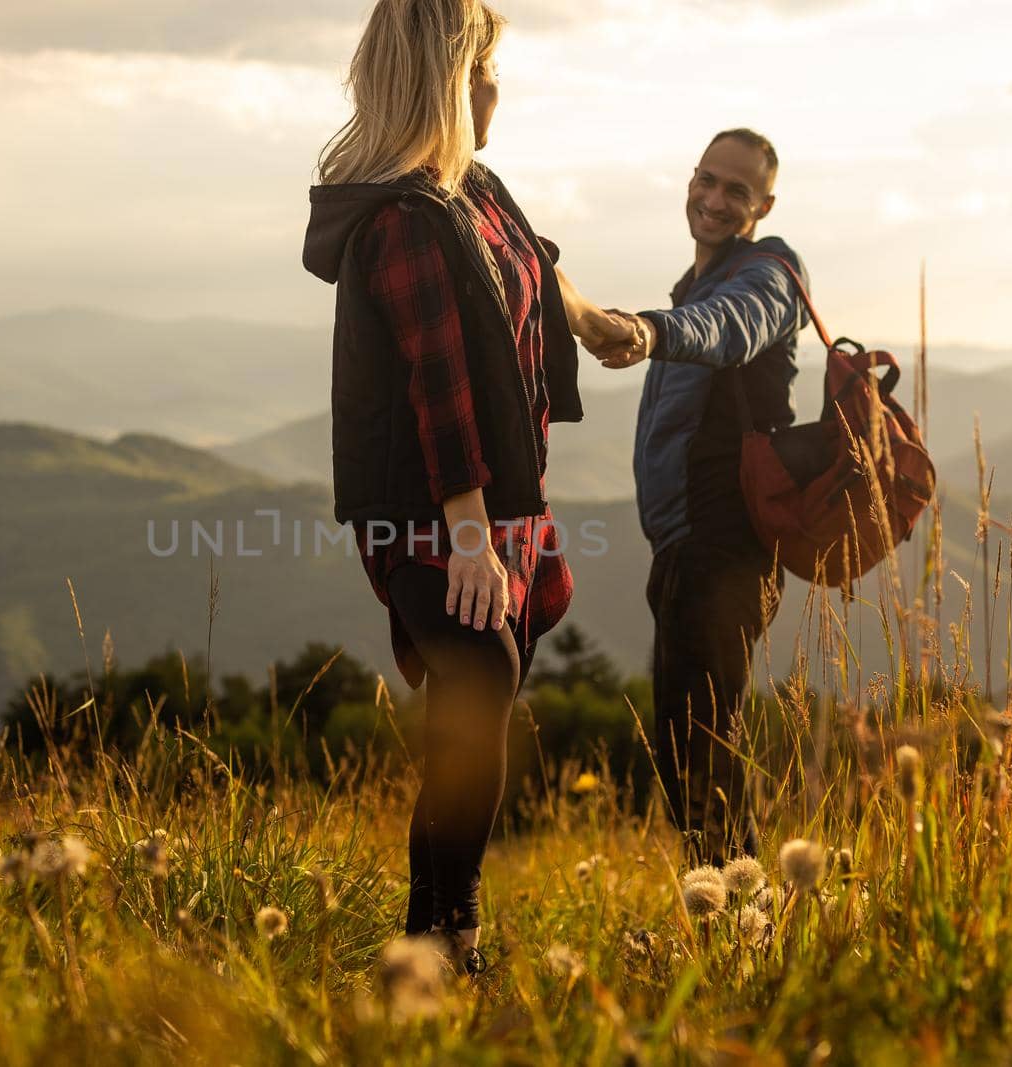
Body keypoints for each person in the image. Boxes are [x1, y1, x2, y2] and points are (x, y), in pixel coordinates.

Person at [301, 0, 641, 973]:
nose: (497, 89)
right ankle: (451, 936)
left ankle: (431, 937)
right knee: (481, 679)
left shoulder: (472, 190)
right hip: (435, 509)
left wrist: (592, 321)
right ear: (450, 78)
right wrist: (469, 536)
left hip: (496, 502)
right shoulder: (405, 220)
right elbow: (438, 378)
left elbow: (536, 261)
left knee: (474, 703)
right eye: (486, 69)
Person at [591, 129, 810, 863]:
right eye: (706, 180)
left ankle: (739, 929)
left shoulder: (768, 275)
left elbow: (730, 329)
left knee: (699, 750)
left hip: (725, 547)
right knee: (693, 745)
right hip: (688, 546)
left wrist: (652, 332)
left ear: (763, 205)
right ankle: (737, 923)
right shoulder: (698, 286)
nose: (714, 200)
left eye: (736, 191)